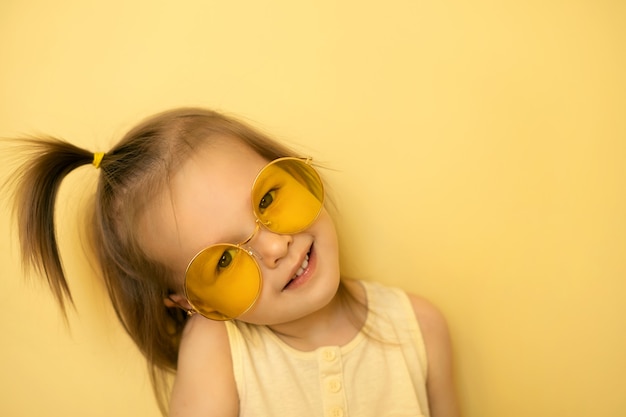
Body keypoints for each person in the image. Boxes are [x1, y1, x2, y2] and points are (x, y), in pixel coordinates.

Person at [5, 108, 459, 417]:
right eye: (224, 259)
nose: (275, 248)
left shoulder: (419, 327)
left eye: (267, 198)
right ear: (191, 302)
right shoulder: (217, 351)